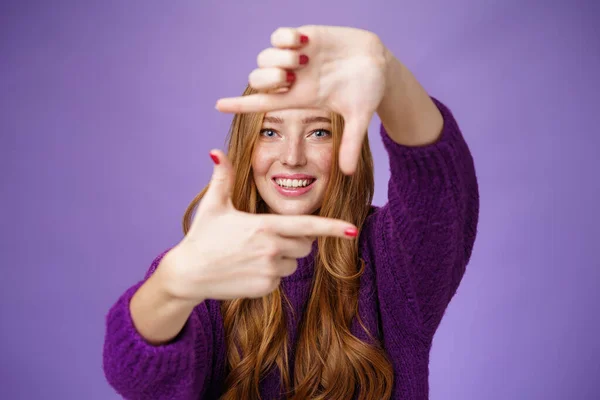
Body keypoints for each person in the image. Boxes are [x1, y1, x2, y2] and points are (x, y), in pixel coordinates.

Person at [102, 25, 479, 400]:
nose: (293, 157)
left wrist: (391, 78)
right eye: (270, 132)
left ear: (349, 141)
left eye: (319, 132)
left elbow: (440, 192)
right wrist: (174, 282)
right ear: (247, 148)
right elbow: (138, 379)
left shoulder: (390, 259)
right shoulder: (209, 265)